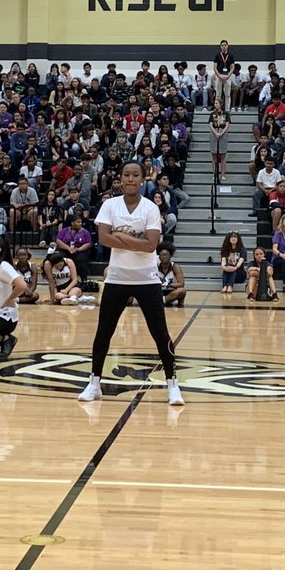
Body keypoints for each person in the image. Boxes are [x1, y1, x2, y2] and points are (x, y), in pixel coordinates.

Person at [77, 161, 183, 406]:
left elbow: (151, 245)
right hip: (117, 278)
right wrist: (133, 239)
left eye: (136, 175)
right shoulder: (109, 205)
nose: (130, 179)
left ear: (143, 179)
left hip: (147, 280)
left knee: (160, 333)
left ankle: (172, 384)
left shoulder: (150, 208)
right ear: (121, 178)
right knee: (104, 331)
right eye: (126, 175)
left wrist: (120, 236)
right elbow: (104, 239)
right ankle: (94, 383)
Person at [157, 243, 186, 307]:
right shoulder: (155, 267)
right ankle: (162, 300)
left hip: (171, 292)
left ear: (170, 256)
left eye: (166, 255)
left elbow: (181, 284)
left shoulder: (175, 266)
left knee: (182, 291)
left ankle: (163, 300)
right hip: (158, 291)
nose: (164, 257)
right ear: (159, 257)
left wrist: (169, 284)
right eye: (162, 255)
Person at [208, 99, 231, 180]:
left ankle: (223, 174)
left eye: (217, 103)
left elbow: (227, 125)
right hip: (214, 133)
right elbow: (210, 125)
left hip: (223, 133)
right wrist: (215, 133)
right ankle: (214, 174)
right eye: (214, 103)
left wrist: (221, 133)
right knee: (214, 155)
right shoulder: (212, 114)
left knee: (223, 155)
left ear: (221, 104)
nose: (215, 104)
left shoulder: (226, 114)